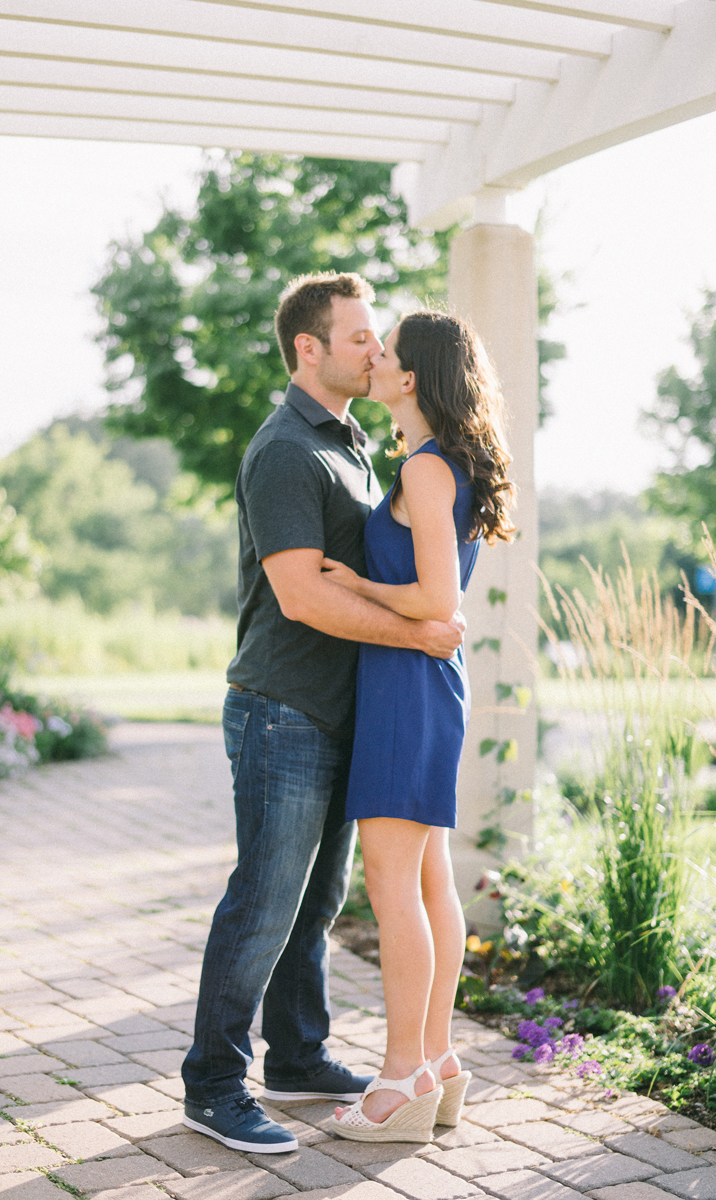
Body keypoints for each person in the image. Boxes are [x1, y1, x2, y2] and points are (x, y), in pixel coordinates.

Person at [181, 274, 467, 1154]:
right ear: (309, 348)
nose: (376, 352)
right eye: (360, 339)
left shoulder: (357, 445)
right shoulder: (286, 453)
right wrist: (419, 634)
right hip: (283, 707)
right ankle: (214, 1083)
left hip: (349, 709)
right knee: (265, 899)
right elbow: (303, 596)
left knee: (319, 900)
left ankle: (298, 1054)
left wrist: (412, 624)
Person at [324, 310, 515, 1143]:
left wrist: (355, 585)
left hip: (408, 682)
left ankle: (400, 1079)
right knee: (431, 881)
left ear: (411, 380)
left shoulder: (429, 472)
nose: (374, 357)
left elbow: (439, 601)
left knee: (395, 885)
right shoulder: (437, 464)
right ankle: (435, 1065)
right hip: (431, 681)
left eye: (388, 351)